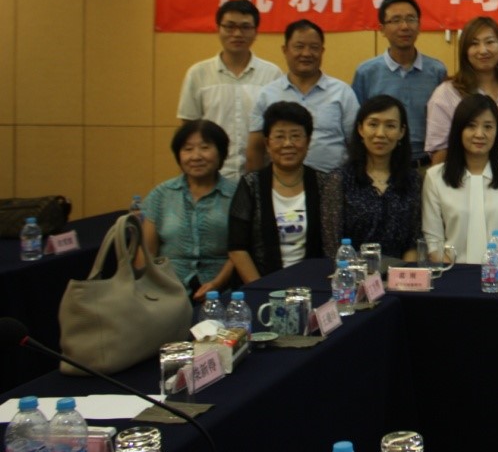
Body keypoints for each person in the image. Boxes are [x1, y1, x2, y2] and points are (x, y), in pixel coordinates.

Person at [228, 101, 339, 282]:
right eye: (279, 137)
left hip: (314, 283)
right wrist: (261, 288)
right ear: (267, 143)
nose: (288, 144)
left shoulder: (325, 184)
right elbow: (237, 248)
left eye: (296, 136)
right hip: (263, 284)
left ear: (308, 141)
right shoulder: (251, 184)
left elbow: (333, 243)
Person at [176, 0, 283, 181]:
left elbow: (278, 127)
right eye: (230, 26)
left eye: (245, 27)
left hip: (260, 177)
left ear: (256, 32)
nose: (237, 33)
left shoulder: (272, 74)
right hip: (211, 178)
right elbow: (188, 129)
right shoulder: (198, 74)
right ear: (218, 29)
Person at [423, 94, 498, 264]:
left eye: (488, 127)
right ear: (458, 130)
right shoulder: (435, 177)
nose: (480, 134)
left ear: (497, 131)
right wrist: (452, 272)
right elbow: (433, 240)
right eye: (471, 126)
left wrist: (495, 269)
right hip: (451, 271)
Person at [140, 120, 238, 301]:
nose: (196, 156)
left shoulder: (237, 194)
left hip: (224, 292)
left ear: (221, 153)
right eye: (188, 149)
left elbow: (241, 250)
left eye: (205, 147)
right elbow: (147, 253)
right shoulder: (161, 194)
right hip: (166, 292)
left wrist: (217, 284)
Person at [246, 19, 358, 174]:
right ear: (285, 50)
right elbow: (255, 149)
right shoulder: (267, 95)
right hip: (281, 183)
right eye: (299, 47)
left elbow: (357, 144)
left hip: (333, 182)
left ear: (322, 51)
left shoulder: (342, 92)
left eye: (314, 48)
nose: (306, 53)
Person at [351, 0, 447, 166]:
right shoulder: (366, 72)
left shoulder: (437, 71)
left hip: (425, 164)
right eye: (396, 20)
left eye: (411, 19)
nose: (404, 26)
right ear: (382, 29)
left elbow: (445, 124)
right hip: (381, 165)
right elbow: (357, 123)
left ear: (419, 25)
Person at [330, 95, 421, 260]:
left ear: (401, 132)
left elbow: (413, 243)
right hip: (352, 271)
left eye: (390, 126)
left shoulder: (413, 180)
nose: (380, 134)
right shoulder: (340, 179)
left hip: (400, 272)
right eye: (373, 124)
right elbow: (332, 245)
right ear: (360, 129)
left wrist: (403, 273)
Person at [425, 15, 498, 166]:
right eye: (474, 44)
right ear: (464, 50)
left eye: (490, 42)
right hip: (462, 175)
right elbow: (440, 154)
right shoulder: (446, 94)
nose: (483, 50)